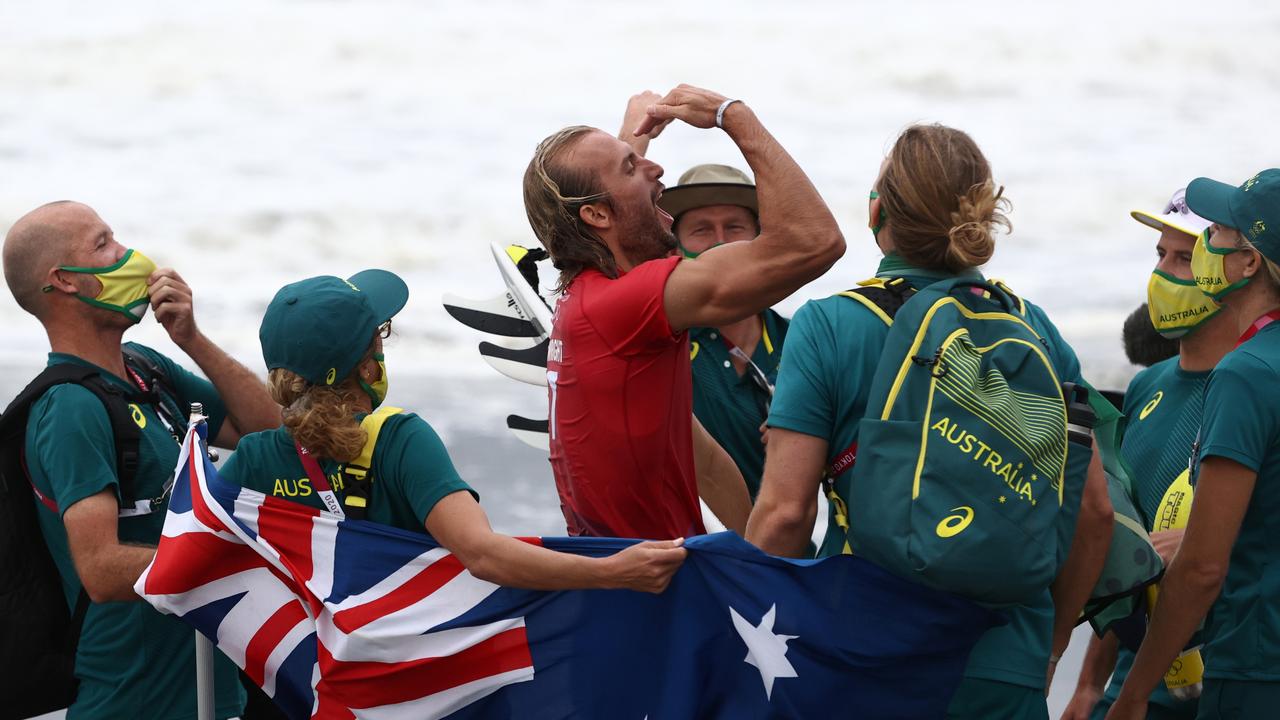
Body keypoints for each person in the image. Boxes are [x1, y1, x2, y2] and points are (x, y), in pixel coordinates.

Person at [743, 124, 1113, 719]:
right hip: (1006, 661)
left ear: (879, 209)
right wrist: (1048, 649)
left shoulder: (829, 324)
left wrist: (734, 622)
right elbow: (1093, 513)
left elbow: (786, 514)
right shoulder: (1034, 328)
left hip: (866, 653)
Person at [220, 269, 688, 594]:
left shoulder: (252, 459)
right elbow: (483, 556)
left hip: (297, 684)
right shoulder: (399, 441)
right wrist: (613, 571)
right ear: (367, 364)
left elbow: (203, 562)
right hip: (398, 683)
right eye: (381, 334)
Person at [521, 85, 844, 539]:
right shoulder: (627, 306)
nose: (656, 169)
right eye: (632, 167)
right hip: (648, 592)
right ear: (596, 216)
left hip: (639, 579)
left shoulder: (590, 296)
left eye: (734, 226)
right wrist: (733, 116)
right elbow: (816, 241)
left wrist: (758, 568)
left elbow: (708, 466)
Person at [2, 201, 282, 719]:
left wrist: (191, 339)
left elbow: (266, 431)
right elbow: (101, 569)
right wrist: (237, 558)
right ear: (65, 280)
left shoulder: (145, 369)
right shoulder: (70, 409)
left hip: (210, 691)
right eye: (103, 243)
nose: (129, 255)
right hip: (134, 701)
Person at [1107, 169, 1280, 720]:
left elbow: (1202, 568)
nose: (1204, 251)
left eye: (1215, 238)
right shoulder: (1158, 386)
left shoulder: (1246, 374)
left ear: (1249, 262)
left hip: (1253, 667)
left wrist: (1133, 694)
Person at [1061, 189, 1236, 720]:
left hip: (1230, 676)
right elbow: (1128, 552)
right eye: (1159, 255)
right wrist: (1090, 683)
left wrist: (1208, 536)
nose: (1161, 274)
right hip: (1134, 685)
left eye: (1183, 258)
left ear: (1233, 269)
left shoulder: (1258, 386)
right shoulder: (1147, 389)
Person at [655, 162, 787, 500]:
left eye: (734, 227)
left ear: (762, 241)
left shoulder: (802, 339)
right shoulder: (658, 338)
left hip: (787, 551)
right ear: (674, 250)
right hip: (684, 548)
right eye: (701, 230)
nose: (721, 244)